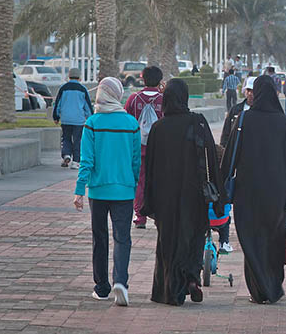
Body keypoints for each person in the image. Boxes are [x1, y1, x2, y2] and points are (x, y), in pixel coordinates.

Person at [219, 76, 286, 304]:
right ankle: (273, 284)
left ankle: (258, 290)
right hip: (277, 193)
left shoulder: (244, 119)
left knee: (252, 238)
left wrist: (221, 181)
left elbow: (231, 155)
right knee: (275, 238)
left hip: (249, 192)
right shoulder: (285, 122)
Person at [140, 79, 221, 306]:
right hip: (194, 194)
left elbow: (151, 168)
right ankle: (192, 278)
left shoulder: (158, 128)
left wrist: (149, 201)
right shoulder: (198, 122)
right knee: (193, 236)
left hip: (166, 197)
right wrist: (219, 192)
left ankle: (170, 291)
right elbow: (211, 158)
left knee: (168, 242)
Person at [73, 77, 141, 306]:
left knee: (99, 239)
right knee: (123, 239)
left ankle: (101, 287)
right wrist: (132, 184)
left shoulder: (92, 122)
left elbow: (86, 161)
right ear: (118, 94)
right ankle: (120, 282)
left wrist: (79, 190)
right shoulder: (131, 124)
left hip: (98, 192)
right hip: (124, 191)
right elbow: (135, 161)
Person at [124, 66, 164, 229]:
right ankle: (158, 215)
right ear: (160, 80)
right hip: (160, 149)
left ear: (143, 79)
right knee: (158, 182)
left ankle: (140, 217)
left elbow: (127, 121)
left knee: (139, 182)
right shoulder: (164, 98)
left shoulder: (134, 98)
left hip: (137, 148)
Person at [53, 67, 93, 169]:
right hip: (78, 120)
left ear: (69, 76)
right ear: (79, 77)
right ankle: (76, 161)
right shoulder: (83, 89)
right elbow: (87, 106)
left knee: (65, 138)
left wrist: (56, 116)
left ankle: (66, 155)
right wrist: (90, 118)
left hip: (66, 119)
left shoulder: (63, 88)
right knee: (78, 140)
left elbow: (57, 104)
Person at [220, 76, 255, 147]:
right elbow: (226, 131)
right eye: (248, 90)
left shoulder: (260, 113)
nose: (250, 94)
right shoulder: (235, 110)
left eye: (253, 91)